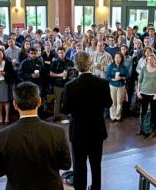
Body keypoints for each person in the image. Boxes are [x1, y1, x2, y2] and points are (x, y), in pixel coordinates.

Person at [0, 81, 71, 190]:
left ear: (15, 104)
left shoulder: (0, 137)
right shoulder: (58, 132)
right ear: (39, 101)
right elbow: (66, 165)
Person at [62, 51, 112, 190]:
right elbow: (108, 103)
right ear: (90, 64)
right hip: (96, 129)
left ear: (76, 66)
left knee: (79, 165)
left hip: (78, 131)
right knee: (96, 165)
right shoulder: (102, 83)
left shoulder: (70, 86)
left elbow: (65, 110)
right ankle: (96, 188)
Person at [137, 53, 156, 137]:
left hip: (154, 94)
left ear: (155, 60)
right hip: (144, 93)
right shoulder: (144, 69)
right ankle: (142, 128)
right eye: (148, 59)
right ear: (146, 60)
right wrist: (138, 92)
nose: (150, 61)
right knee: (143, 112)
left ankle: (154, 128)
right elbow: (139, 81)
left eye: (152, 59)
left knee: (154, 112)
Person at [0, 49, 15, 125]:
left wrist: (5, 73)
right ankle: (1, 117)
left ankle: (7, 117)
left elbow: (12, 73)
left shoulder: (8, 62)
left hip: (6, 82)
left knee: (7, 100)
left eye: (0, 53)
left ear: (3, 54)